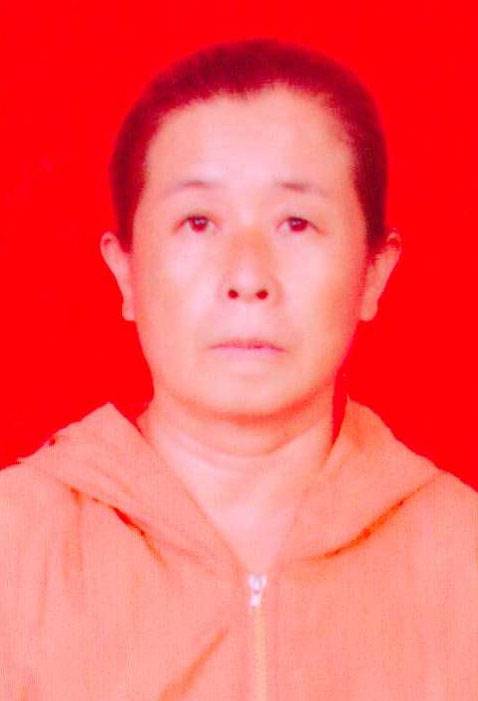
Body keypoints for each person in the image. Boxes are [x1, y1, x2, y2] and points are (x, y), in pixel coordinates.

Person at [1, 38, 477, 700]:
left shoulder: (461, 554)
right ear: (126, 271)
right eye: (198, 222)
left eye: (296, 223)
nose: (248, 277)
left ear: (374, 272)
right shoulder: (19, 543)